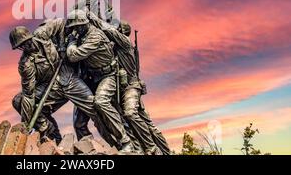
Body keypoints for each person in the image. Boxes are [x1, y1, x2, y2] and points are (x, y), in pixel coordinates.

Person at [90, 14, 170, 154]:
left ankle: (153, 148)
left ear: (121, 31)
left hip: (131, 87)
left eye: (117, 28)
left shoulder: (125, 42)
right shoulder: (117, 44)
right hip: (124, 87)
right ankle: (143, 148)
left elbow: (109, 31)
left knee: (130, 113)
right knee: (143, 122)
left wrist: (94, 18)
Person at [9, 24, 100, 144]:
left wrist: (63, 44)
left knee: (96, 107)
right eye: (21, 45)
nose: (25, 46)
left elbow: (61, 24)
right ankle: (50, 134)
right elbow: (28, 95)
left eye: (26, 41)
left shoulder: (42, 34)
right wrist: (26, 124)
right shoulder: (25, 64)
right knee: (18, 101)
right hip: (50, 89)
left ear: (30, 37)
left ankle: (120, 139)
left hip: (68, 78)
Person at [65, 9, 133, 152]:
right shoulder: (82, 37)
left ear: (84, 24)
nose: (75, 30)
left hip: (108, 76)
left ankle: (126, 141)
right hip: (91, 78)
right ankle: (89, 148)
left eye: (77, 27)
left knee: (100, 101)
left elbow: (73, 55)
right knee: (79, 121)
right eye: (74, 28)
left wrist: (71, 43)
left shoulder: (94, 36)